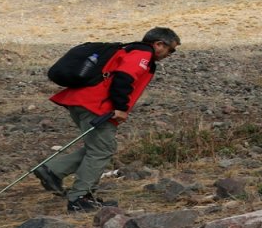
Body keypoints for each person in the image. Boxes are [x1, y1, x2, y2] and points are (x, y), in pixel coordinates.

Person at [38, 27, 180, 212]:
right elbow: (123, 78)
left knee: (98, 147)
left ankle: (53, 171)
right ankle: (80, 197)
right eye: (171, 50)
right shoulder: (142, 53)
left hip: (81, 101)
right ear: (159, 44)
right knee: (101, 150)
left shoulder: (128, 49)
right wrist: (120, 108)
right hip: (96, 105)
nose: (170, 54)